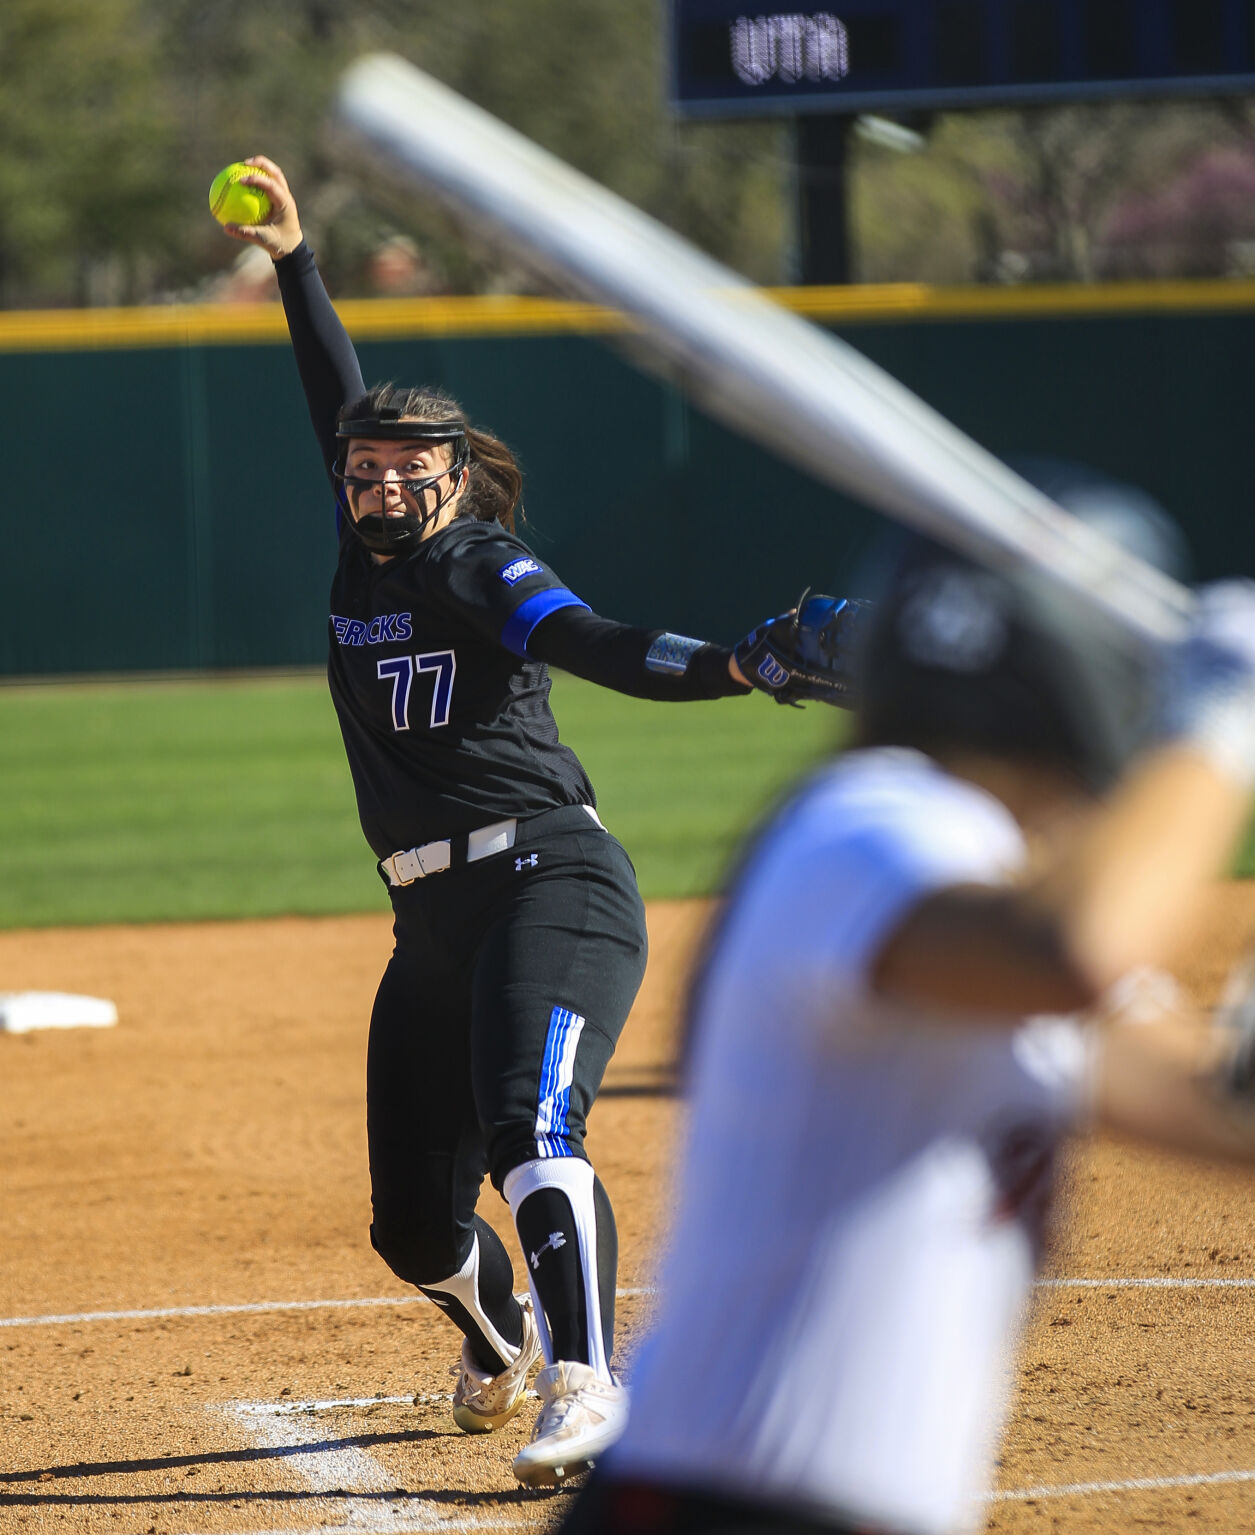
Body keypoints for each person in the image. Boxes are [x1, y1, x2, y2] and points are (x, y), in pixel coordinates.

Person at [213, 156, 851, 1488]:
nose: (382, 484)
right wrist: (295, 262)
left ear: (455, 479)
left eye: (410, 468)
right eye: (364, 470)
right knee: (410, 1228)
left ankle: (587, 1380)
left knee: (531, 1130)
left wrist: (733, 664)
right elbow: (334, 395)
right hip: (430, 924)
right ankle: (494, 1329)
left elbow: (589, 639)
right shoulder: (361, 552)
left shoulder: (476, 560)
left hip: (545, 881)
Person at [559, 528, 1255, 1535]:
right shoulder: (870, 823)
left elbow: (1251, 1117)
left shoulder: (984, 895)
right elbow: (1075, 948)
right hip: (710, 1507)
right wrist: (1219, 725)